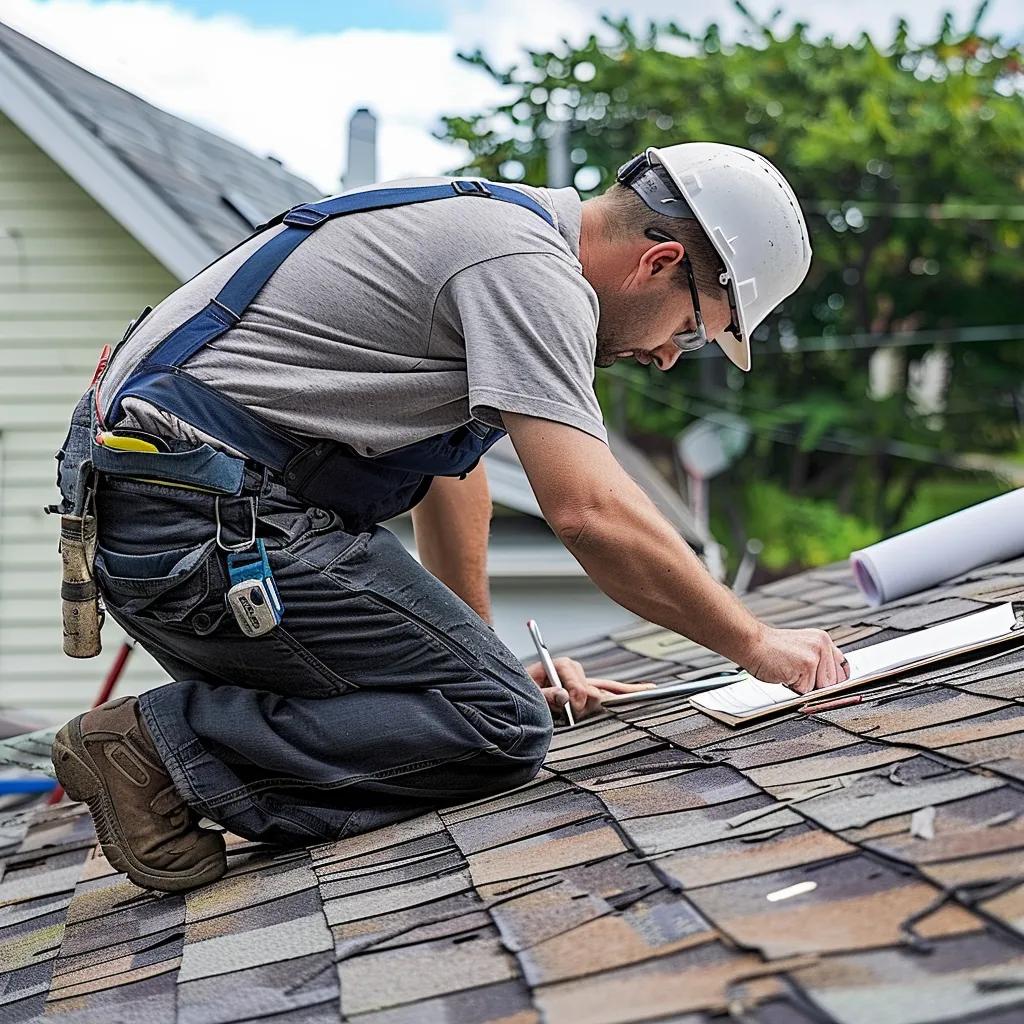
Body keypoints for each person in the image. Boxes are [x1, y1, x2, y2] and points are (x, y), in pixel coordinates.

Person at [50, 143, 849, 893]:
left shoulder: (497, 230)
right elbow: (590, 512)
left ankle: (174, 749)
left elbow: (451, 473)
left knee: (486, 698)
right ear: (662, 262)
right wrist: (756, 642)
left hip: (168, 518)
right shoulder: (530, 273)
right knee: (502, 728)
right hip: (199, 523)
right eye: (691, 330)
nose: (670, 355)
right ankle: (158, 746)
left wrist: (467, 656)